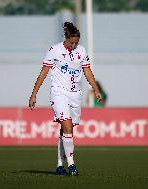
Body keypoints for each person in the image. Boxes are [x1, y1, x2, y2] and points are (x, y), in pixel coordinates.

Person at [29, 22, 102, 176]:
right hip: (59, 92)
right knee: (67, 126)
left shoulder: (81, 51)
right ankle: (72, 164)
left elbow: (88, 72)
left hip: (76, 94)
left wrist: (96, 89)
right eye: (72, 42)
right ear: (66, 38)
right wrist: (34, 94)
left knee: (66, 131)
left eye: (77, 42)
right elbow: (43, 73)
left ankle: (59, 165)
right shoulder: (54, 50)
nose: (74, 45)